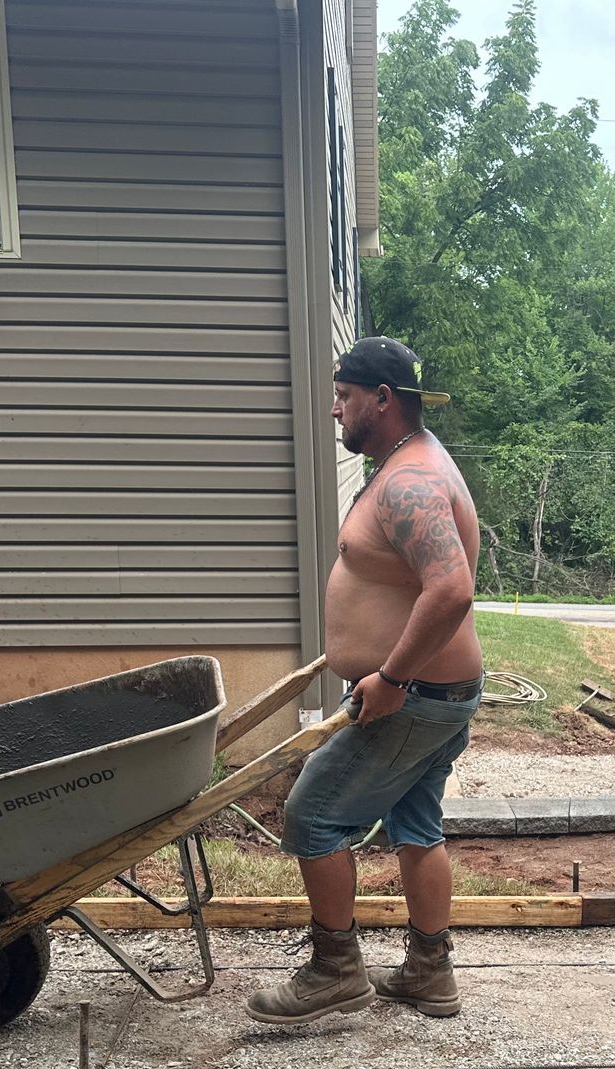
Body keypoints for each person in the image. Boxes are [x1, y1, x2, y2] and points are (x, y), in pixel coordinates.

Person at [245, 337, 484, 1027]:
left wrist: (390, 677)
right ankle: (428, 973)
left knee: (311, 816)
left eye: (345, 396)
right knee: (416, 825)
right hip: (437, 691)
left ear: (382, 399)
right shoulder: (410, 464)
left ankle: (334, 972)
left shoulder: (410, 482)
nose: (334, 409)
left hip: (414, 696)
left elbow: (451, 591)